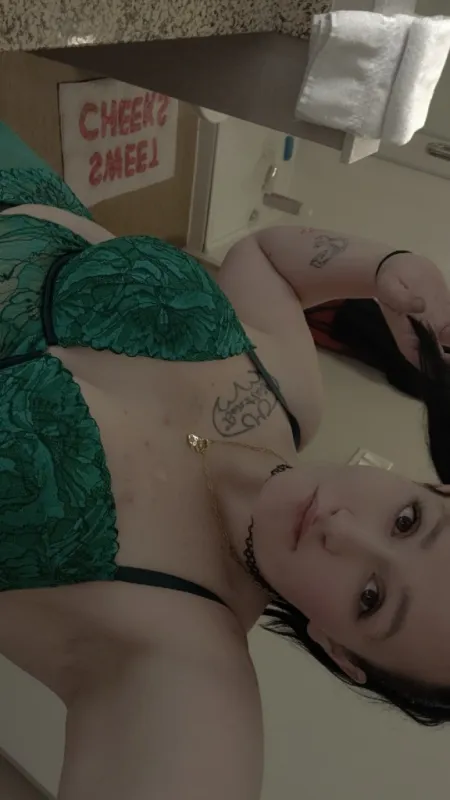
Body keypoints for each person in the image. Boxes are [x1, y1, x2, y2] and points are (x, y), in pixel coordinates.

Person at [1, 119, 450, 800]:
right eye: (408, 521)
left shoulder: (184, 664)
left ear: (339, 650)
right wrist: (385, 266)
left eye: (371, 597)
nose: (342, 530)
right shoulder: (293, 398)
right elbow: (264, 258)